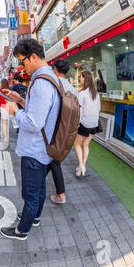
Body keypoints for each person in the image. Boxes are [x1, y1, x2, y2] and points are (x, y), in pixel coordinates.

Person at [0, 39, 61, 241]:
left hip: (35, 149)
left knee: (31, 194)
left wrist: (14, 111)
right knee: (40, 188)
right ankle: (33, 217)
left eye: (22, 61)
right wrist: (21, 101)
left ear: (33, 57)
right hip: (43, 148)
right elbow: (40, 111)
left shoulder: (41, 82)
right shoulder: (48, 77)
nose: (21, 66)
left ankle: (21, 230)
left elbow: (34, 122)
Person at [48, 59, 78, 204]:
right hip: (66, 131)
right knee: (53, 161)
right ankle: (59, 193)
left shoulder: (53, 85)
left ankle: (61, 194)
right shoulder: (72, 89)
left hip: (52, 130)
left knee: (53, 161)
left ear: (55, 69)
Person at [75, 71, 101, 177]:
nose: (79, 79)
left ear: (85, 79)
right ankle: (82, 166)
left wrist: (77, 123)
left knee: (77, 144)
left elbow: (79, 111)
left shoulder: (81, 93)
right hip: (95, 124)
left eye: (80, 77)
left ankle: (81, 165)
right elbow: (99, 109)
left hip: (84, 124)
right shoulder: (96, 93)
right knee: (86, 144)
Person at [0, 79, 11, 146]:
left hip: (3, 107)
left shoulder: (0, 91)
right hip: (9, 107)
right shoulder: (9, 90)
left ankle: (5, 137)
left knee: (4, 123)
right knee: (6, 123)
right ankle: (5, 136)